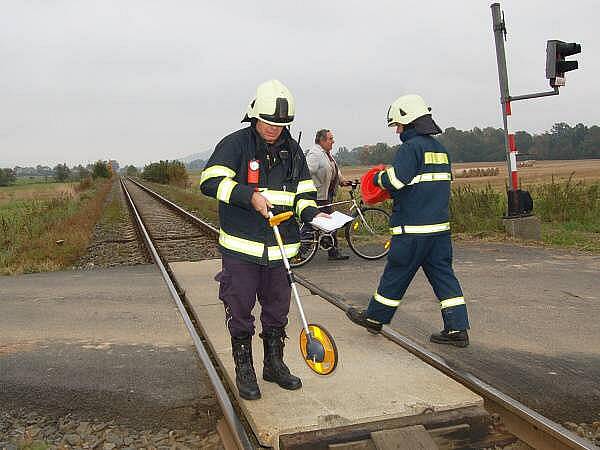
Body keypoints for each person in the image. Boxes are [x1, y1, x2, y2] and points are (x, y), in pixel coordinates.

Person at [200, 80, 326, 400]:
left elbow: (304, 193)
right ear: (254, 116)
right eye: (268, 122)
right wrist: (248, 196)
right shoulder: (235, 145)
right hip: (242, 248)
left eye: (281, 124)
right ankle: (245, 368)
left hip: (281, 248)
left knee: (277, 310)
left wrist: (312, 214)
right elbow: (210, 181)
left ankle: (274, 364)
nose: (273, 129)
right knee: (239, 307)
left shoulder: (293, 150)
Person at [346, 95, 470, 347]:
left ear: (408, 122)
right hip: (439, 231)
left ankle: (374, 318)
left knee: (396, 274)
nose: (397, 131)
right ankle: (457, 329)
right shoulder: (441, 150)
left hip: (412, 230)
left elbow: (396, 181)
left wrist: (378, 178)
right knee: (445, 277)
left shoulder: (411, 148)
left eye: (398, 126)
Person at [305, 129, 351, 260]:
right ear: (322, 140)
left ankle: (333, 251)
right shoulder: (315, 153)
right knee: (315, 223)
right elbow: (307, 171)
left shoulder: (326, 154)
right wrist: (313, 186)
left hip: (326, 194)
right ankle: (301, 250)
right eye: (330, 139)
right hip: (318, 195)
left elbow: (333, 169)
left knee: (329, 223)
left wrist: (343, 181)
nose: (333, 141)